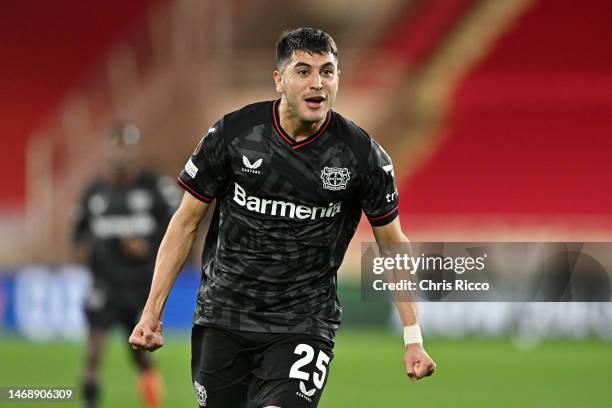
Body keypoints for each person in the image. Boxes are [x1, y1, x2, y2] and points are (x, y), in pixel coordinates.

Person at [129, 27, 436, 408]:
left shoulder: (360, 156)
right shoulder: (233, 135)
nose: (317, 83)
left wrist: (413, 337)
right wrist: (151, 312)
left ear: (338, 78)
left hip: (303, 322)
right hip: (225, 315)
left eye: (327, 71)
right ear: (279, 80)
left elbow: (392, 243)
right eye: (303, 71)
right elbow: (186, 222)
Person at [73, 122, 178, 408]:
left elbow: (178, 232)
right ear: (107, 151)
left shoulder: (156, 188)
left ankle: (152, 401)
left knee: (140, 355)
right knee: (94, 351)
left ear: (136, 151)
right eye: (115, 148)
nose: (121, 155)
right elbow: (78, 236)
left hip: (140, 288)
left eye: (126, 149)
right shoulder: (93, 191)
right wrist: (81, 251)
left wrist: (146, 248)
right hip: (103, 286)